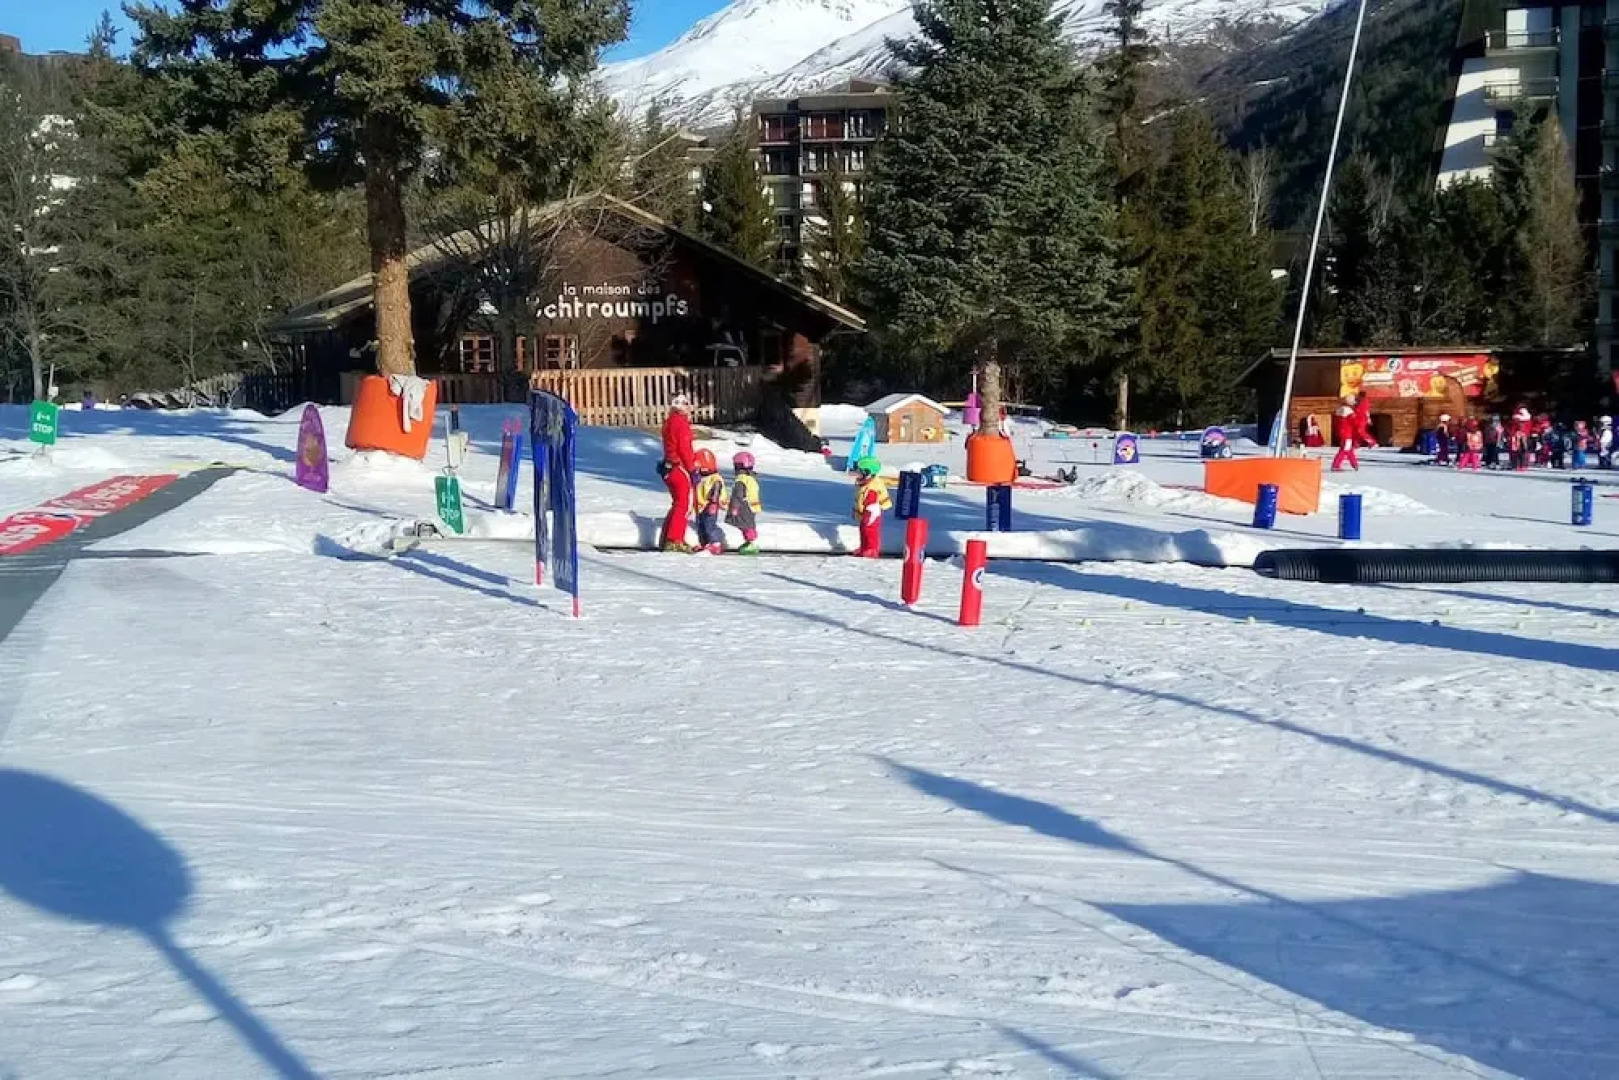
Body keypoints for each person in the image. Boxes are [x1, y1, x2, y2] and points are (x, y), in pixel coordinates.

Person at [659, 394, 697, 552]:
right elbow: (684, 449)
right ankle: (674, 539)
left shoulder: (669, 422)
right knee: (684, 504)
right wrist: (692, 468)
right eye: (687, 405)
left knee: (677, 503)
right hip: (678, 466)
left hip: (669, 466)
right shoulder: (681, 424)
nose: (690, 408)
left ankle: (667, 537)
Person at [852, 455, 891, 558]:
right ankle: (864, 547)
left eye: (859, 472)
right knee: (863, 531)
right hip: (864, 514)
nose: (857, 475)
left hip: (871, 515)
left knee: (870, 532)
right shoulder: (864, 485)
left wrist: (868, 516)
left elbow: (872, 505)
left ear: (867, 473)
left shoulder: (872, 488)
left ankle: (872, 549)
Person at [726, 451, 763, 556]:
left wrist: (734, 507)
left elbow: (738, 495)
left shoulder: (741, 480)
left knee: (744, 524)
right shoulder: (752, 478)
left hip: (744, 506)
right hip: (753, 506)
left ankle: (750, 542)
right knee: (748, 523)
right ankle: (749, 541)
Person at [692, 449, 727, 555]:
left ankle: (716, 543)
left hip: (710, 505)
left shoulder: (715, 478)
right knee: (700, 525)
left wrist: (714, 502)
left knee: (709, 525)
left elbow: (716, 489)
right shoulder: (701, 478)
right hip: (701, 506)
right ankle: (705, 543)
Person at [1332, 394, 1361, 472]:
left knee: (1348, 449)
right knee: (1345, 450)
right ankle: (1336, 465)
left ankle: (1354, 464)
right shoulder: (1349, 412)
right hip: (1347, 433)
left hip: (1342, 433)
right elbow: (1355, 423)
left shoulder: (1339, 410)